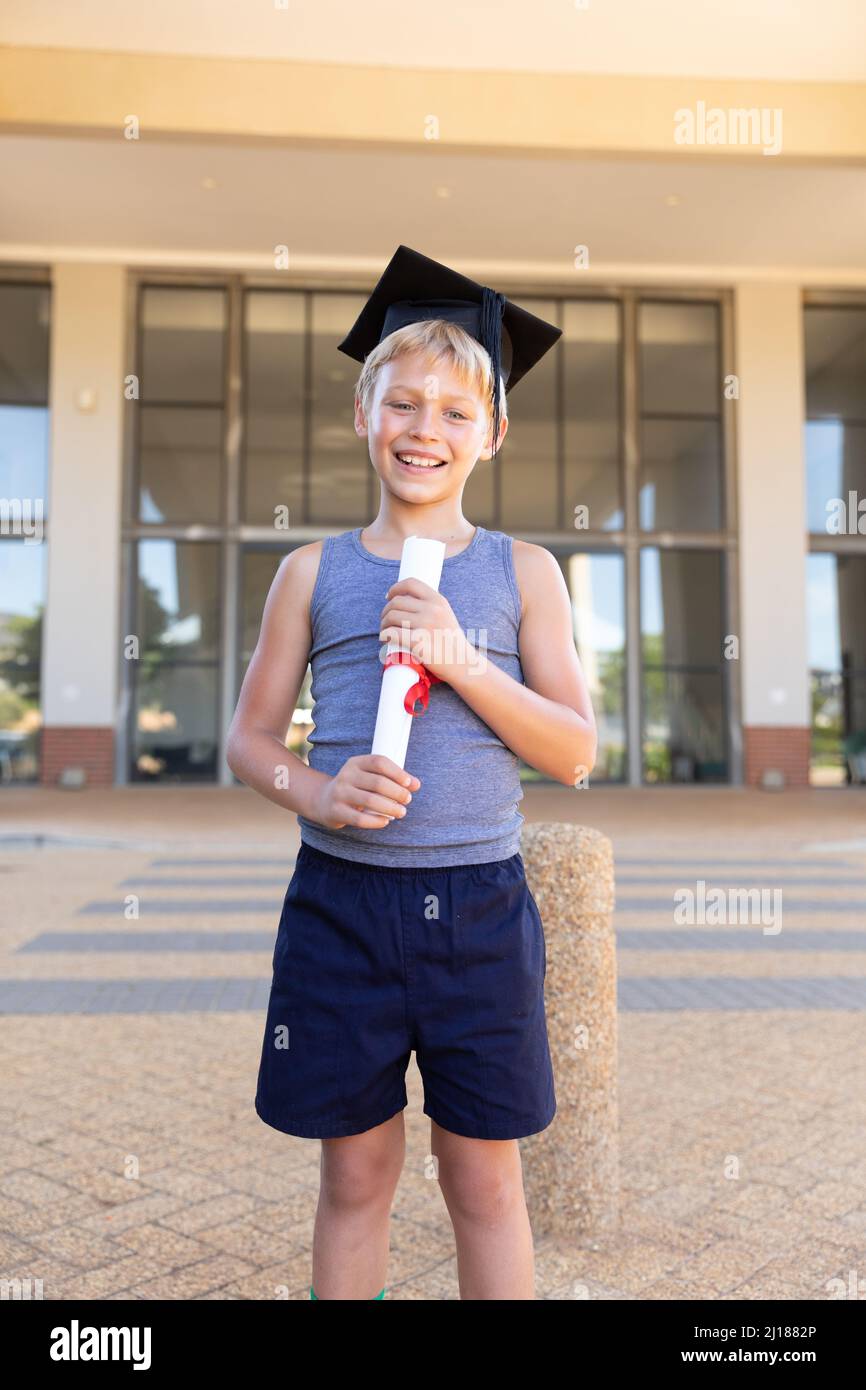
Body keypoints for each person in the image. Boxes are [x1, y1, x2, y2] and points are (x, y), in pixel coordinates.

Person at [227, 245, 597, 1300]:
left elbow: (573, 749)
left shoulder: (522, 571)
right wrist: (316, 790)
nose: (423, 429)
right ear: (362, 413)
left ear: (492, 433)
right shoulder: (314, 572)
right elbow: (250, 741)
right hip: (339, 905)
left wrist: (459, 657)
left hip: (479, 907)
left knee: (482, 1176)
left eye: (452, 411)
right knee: (355, 1169)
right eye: (403, 404)